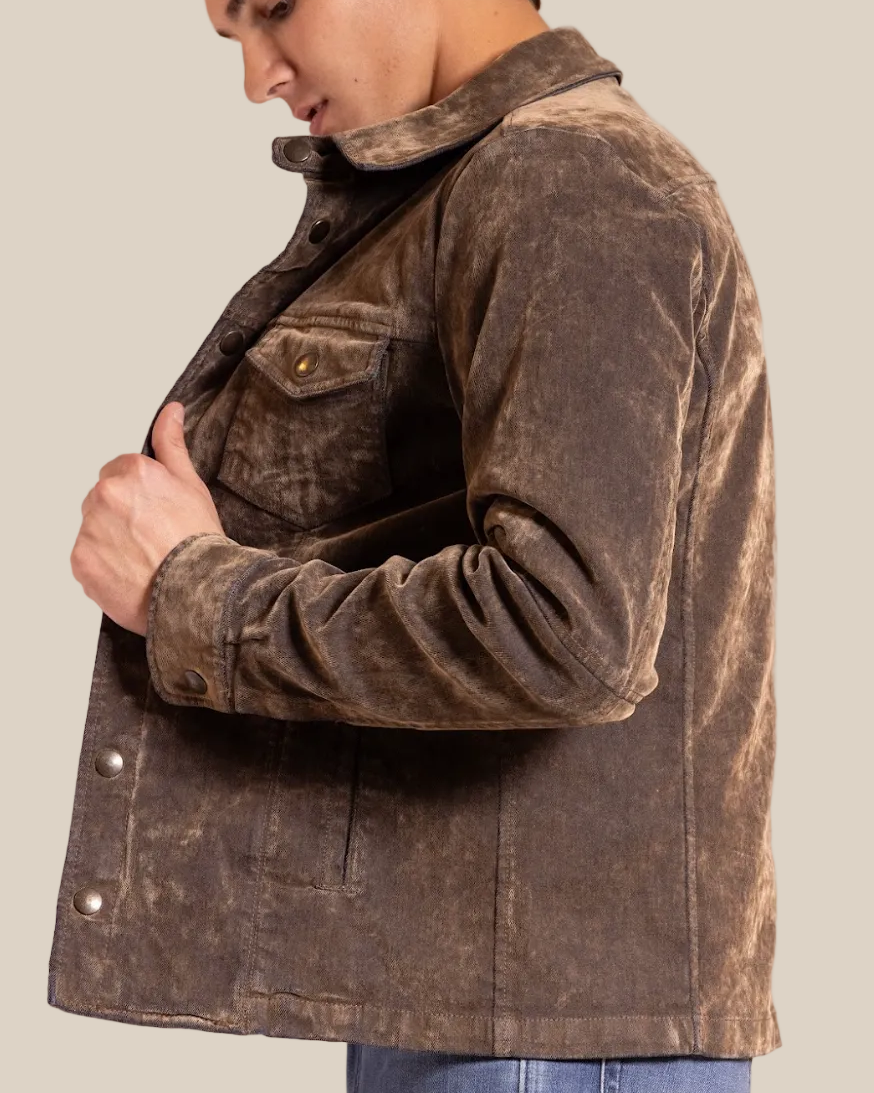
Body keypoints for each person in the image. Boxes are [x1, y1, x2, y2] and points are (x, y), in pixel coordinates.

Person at [53, 2, 779, 1092]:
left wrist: (191, 593)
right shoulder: (482, 183)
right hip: (481, 1001)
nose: (257, 74)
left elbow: (565, 629)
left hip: (538, 1034)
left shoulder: (568, 181)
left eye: (273, 8)